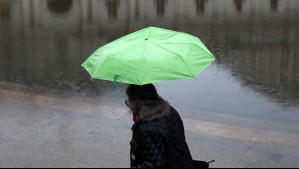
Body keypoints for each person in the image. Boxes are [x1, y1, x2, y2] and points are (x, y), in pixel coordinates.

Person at [126, 84, 194, 168]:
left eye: (129, 101)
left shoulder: (148, 128)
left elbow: (154, 164)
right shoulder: (169, 110)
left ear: (136, 102)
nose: (129, 105)